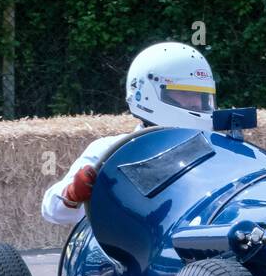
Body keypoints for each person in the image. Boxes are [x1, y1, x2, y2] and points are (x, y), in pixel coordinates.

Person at [41, 42, 217, 225]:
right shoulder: (109, 151)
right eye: (186, 94)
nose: (196, 102)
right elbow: (52, 212)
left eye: (202, 96)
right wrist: (72, 193)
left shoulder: (216, 151)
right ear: (147, 93)